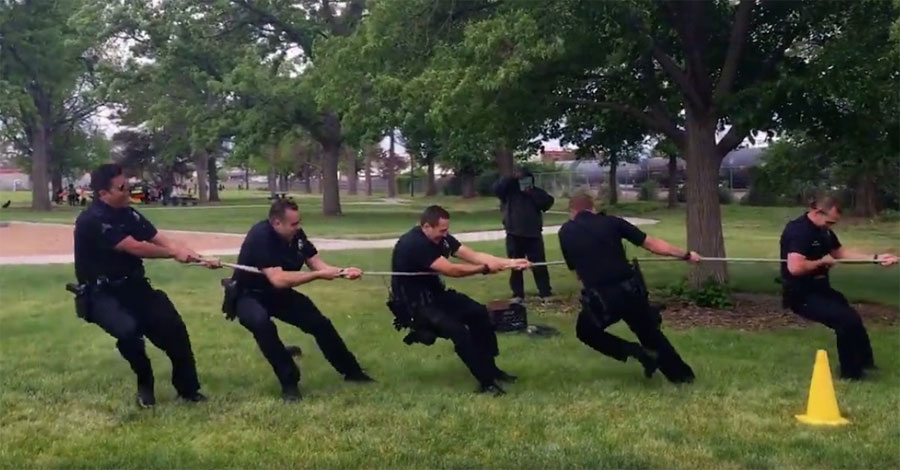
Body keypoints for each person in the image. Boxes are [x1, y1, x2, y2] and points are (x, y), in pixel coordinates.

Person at [73, 163, 219, 408]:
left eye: (128, 185)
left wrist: (199, 258)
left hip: (134, 287)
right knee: (129, 332)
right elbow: (134, 247)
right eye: (122, 188)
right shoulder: (92, 220)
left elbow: (161, 239)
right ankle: (145, 380)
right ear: (103, 194)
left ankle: (188, 390)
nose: (128, 191)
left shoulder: (129, 214)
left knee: (174, 329)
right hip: (101, 294)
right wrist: (172, 255)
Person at [228, 198, 372, 402]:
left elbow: (316, 263)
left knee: (320, 324)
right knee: (262, 325)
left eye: (299, 222)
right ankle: (289, 383)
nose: (299, 227)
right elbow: (278, 279)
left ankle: (353, 372)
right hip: (249, 294)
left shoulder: (296, 236)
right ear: (277, 223)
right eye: (294, 224)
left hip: (277, 294)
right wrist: (318, 276)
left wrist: (342, 272)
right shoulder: (261, 236)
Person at [387, 205, 531, 396]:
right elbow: (452, 270)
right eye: (441, 230)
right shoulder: (414, 243)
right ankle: (486, 383)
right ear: (426, 227)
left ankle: (491, 369)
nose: (445, 234)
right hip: (415, 304)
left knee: (479, 313)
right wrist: (484, 269)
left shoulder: (443, 238)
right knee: (458, 332)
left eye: (446, 230)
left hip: (436, 295)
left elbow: (474, 256)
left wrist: (510, 263)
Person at [557, 193, 699, 383]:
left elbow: (578, 274)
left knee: (586, 332)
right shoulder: (613, 222)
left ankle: (637, 353)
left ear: (572, 212)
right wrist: (686, 255)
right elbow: (651, 244)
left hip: (602, 297)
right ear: (593, 208)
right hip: (630, 291)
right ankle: (683, 378)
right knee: (650, 333)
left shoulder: (565, 232)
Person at [780, 195, 897, 380]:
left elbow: (839, 252)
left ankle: (865, 362)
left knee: (853, 318)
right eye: (830, 221)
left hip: (821, 289)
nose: (831, 226)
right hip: (801, 295)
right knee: (845, 320)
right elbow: (795, 267)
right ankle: (851, 374)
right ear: (818, 212)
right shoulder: (798, 231)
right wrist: (821, 262)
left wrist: (876, 258)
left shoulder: (823, 230)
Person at [493, 167, 555, 303]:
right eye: (520, 179)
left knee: (539, 264)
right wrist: (511, 177)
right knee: (515, 266)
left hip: (533, 234)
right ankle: (518, 294)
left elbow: (547, 203)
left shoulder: (535, 192)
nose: (523, 182)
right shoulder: (508, 192)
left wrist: (531, 193)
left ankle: (545, 292)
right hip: (513, 233)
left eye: (525, 179)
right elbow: (497, 189)